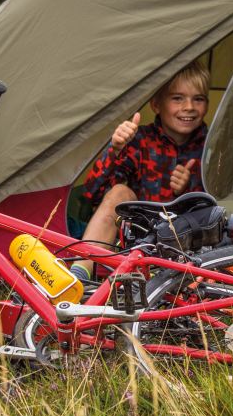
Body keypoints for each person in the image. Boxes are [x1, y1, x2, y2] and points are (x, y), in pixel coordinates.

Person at [72, 61, 210, 280]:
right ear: (156, 104)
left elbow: (220, 203)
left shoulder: (211, 145)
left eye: (198, 99)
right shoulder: (140, 140)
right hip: (138, 236)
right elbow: (92, 194)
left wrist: (186, 190)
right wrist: (115, 150)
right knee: (119, 192)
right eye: (177, 98)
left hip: (188, 240)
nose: (189, 107)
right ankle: (79, 272)